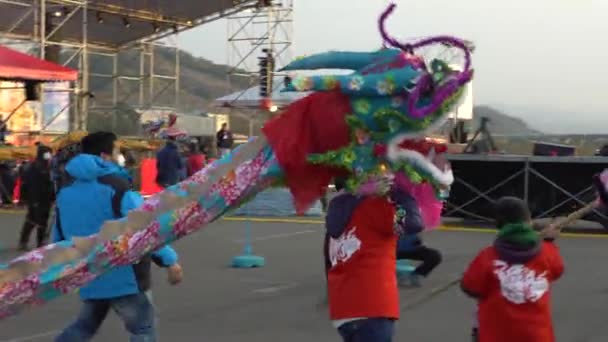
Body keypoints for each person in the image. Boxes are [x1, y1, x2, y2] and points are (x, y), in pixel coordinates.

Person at [53, 131, 183, 342]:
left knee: (84, 326)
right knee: (142, 329)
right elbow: (145, 226)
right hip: (125, 275)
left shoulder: (65, 192)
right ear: (105, 156)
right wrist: (170, 260)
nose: (119, 155)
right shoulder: (119, 187)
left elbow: (58, 237)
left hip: (91, 272)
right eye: (116, 150)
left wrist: (63, 271)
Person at [461, 196, 564, 342]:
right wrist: (548, 241)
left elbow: (470, 287)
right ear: (529, 221)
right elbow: (557, 270)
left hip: (496, 335)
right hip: (537, 336)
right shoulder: (547, 253)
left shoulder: (487, 256)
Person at [326, 174, 411, 342]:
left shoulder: (337, 209)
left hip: (343, 309)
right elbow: (406, 224)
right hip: (372, 305)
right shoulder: (375, 206)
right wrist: (403, 197)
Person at [394, 191, 439, 287]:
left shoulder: (416, 212)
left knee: (435, 256)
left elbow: (416, 235)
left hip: (411, 248)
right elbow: (398, 230)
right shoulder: (399, 211)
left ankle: (417, 274)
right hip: (394, 249)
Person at [18, 145, 54, 251]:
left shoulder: (47, 167)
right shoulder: (34, 167)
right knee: (33, 220)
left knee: (41, 220)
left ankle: (38, 242)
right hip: (36, 199)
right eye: (47, 153)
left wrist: (52, 197)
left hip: (45, 199)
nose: (49, 156)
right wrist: (33, 201)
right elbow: (32, 186)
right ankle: (27, 241)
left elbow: (50, 184)